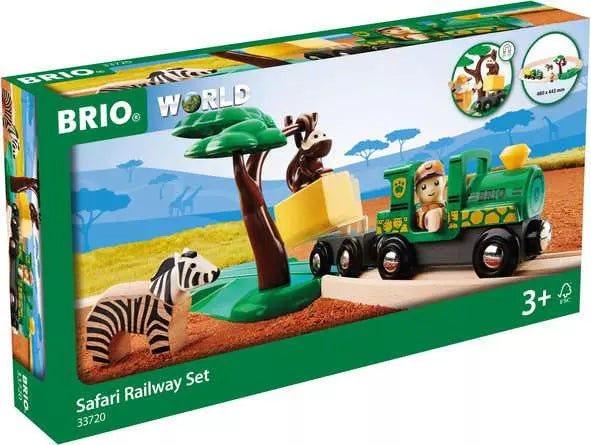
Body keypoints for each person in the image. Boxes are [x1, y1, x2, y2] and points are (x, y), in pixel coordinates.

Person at [415, 160, 446, 232]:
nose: (431, 188)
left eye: (436, 183)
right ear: (417, 192)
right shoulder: (420, 208)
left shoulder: (444, 204)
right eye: (423, 187)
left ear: (444, 181)